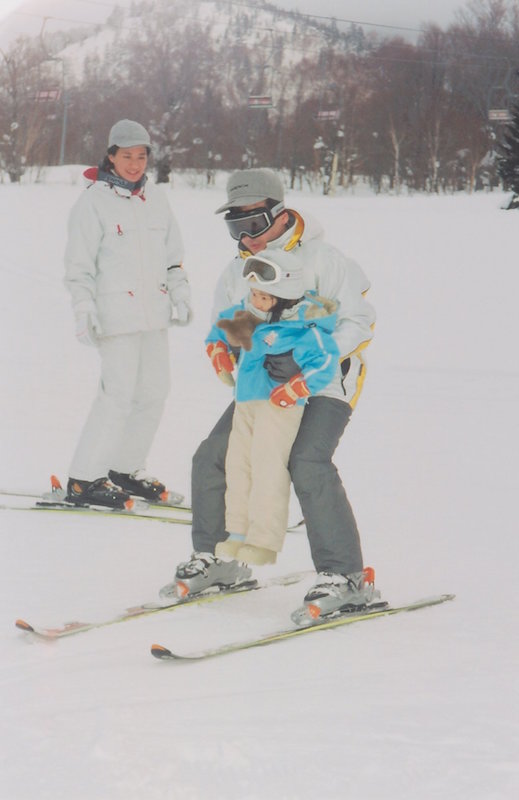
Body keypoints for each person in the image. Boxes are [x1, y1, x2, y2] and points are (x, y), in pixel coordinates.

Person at [163, 167, 377, 620]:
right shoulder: (238, 269)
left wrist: (307, 362)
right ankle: (221, 558)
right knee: (212, 456)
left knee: (306, 460)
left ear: (280, 215)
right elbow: (236, 322)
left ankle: (346, 577)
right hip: (264, 386)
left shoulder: (324, 259)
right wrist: (225, 349)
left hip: (326, 380)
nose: (247, 237)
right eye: (235, 227)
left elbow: (359, 322)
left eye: (254, 225)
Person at [64, 119, 191, 509]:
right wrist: (84, 308)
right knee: (116, 396)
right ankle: (85, 478)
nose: (134, 164)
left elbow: (173, 258)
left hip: (153, 316)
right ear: (111, 156)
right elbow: (78, 267)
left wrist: (181, 294)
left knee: (154, 392)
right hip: (115, 317)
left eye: (141, 156)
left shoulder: (156, 199)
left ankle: (124, 468)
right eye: (126, 156)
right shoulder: (92, 203)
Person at [207, 250, 339, 569]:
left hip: (278, 408)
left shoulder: (305, 329)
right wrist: (219, 353)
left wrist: (294, 388)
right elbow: (218, 332)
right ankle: (238, 532)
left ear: (284, 298)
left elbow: (324, 362)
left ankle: (263, 541)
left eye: (264, 296)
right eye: (253, 293)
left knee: (267, 468)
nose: (256, 300)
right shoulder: (248, 315)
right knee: (238, 465)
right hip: (247, 403)